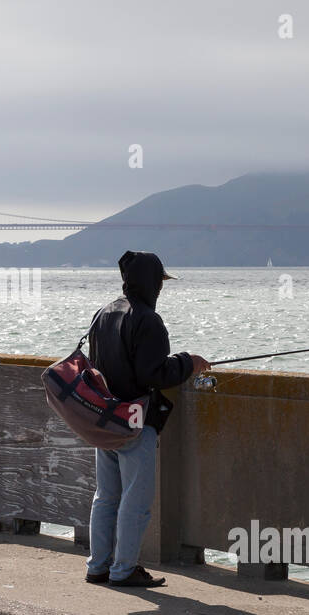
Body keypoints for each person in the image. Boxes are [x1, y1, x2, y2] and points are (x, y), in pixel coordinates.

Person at [84, 251, 209, 588]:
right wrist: (188, 361)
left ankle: (98, 566)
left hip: (104, 418)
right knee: (135, 502)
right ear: (153, 282)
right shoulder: (148, 321)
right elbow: (154, 374)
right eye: (160, 282)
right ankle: (123, 571)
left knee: (106, 496)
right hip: (135, 422)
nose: (161, 289)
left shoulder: (104, 313)